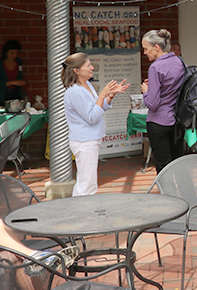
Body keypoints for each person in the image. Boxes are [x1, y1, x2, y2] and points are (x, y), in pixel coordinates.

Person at [62, 53, 129, 196]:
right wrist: (102, 95)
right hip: (84, 141)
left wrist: (110, 95)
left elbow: (98, 109)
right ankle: (81, 212)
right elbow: (91, 117)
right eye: (88, 66)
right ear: (76, 70)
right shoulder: (75, 92)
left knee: (87, 181)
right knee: (87, 184)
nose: (92, 68)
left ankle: (80, 210)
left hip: (90, 139)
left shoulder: (87, 85)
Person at [141, 29, 185, 173]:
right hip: (177, 120)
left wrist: (146, 91)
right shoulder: (179, 62)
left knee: (163, 167)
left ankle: (167, 195)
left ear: (157, 47)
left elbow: (152, 104)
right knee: (179, 163)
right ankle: (186, 193)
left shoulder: (155, 67)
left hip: (159, 121)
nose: (144, 53)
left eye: (146, 49)